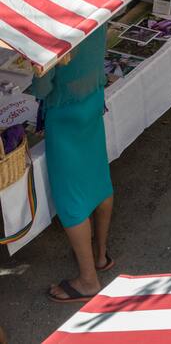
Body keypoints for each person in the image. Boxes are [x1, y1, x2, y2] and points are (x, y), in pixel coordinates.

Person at [29, 27, 114, 303]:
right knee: (99, 179)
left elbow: (43, 87)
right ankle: (100, 255)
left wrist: (33, 71)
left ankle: (88, 280)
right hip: (92, 99)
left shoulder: (52, 30)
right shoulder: (95, 11)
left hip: (64, 113)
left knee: (71, 201)